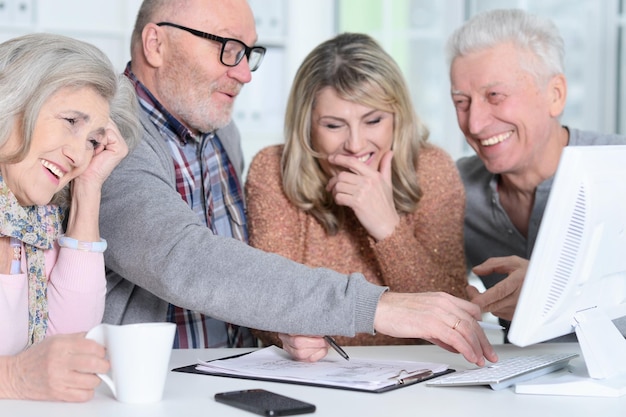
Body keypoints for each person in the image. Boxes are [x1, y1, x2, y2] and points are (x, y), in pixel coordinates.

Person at [100, 0, 497, 365]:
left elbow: (249, 279)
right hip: (159, 376)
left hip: (236, 370)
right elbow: (183, 258)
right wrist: (373, 306)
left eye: (247, 53)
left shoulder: (218, 130)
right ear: (156, 44)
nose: (243, 73)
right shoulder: (109, 137)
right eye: (226, 48)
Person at [245, 33, 467, 349]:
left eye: (373, 120)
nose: (356, 144)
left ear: (397, 117)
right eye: (334, 126)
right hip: (311, 376)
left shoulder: (432, 168)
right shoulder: (273, 168)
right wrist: (283, 333)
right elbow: (267, 298)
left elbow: (456, 314)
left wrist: (387, 228)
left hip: (416, 380)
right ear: (306, 125)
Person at [448, 9, 626, 335]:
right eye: (461, 102)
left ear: (554, 95)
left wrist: (556, 296)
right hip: (508, 380)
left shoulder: (620, 170)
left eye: (494, 96)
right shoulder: (454, 188)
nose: (474, 124)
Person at [0, 33, 140, 401]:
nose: (79, 155)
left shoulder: (34, 225)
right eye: (70, 121)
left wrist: (89, 187)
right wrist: (12, 377)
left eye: (93, 141)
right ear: (13, 102)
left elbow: (67, 345)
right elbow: (29, 374)